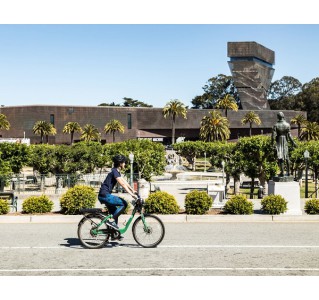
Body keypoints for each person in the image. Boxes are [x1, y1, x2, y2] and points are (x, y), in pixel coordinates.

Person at [98, 154, 137, 240]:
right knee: (124, 204)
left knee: (115, 212)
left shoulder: (116, 171)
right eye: (124, 163)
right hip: (105, 195)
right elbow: (122, 184)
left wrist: (132, 190)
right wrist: (131, 194)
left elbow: (124, 181)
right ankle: (112, 222)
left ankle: (114, 234)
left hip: (105, 195)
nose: (125, 164)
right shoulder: (114, 171)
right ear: (120, 163)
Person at [271, 112, 297, 177]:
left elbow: (273, 136)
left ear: (278, 117)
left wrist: (272, 143)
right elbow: (289, 135)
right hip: (285, 141)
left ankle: (282, 172)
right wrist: (293, 142)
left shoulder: (276, 125)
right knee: (287, 157)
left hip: (279, 141)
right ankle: (288, 172)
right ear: (283, 116)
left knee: (280, 157)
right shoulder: (287, 125)